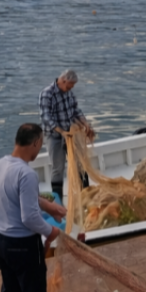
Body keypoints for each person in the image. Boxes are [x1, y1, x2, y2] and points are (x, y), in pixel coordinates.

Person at [0, 123, 70, 292]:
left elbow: (25, 198)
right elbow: (29, 218)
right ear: (35, 143)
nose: (40, 149)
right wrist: (51, 231)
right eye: (41, 144)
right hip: (23, 245)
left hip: (2, 241)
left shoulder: (0, 164)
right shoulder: (27, 173)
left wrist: (50, 206)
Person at [39, 69, 94, 200]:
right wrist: (61, 131)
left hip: (71, 134)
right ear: (63, 81)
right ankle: (57, 199)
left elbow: (75, 110)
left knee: (80, 163)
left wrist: (85, 124)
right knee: (58, 168)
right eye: (70, 85)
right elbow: (46, 117)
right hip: (54, 136)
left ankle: (86, 195)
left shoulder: (69, 93)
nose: (72, 88)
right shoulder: (47, 94)